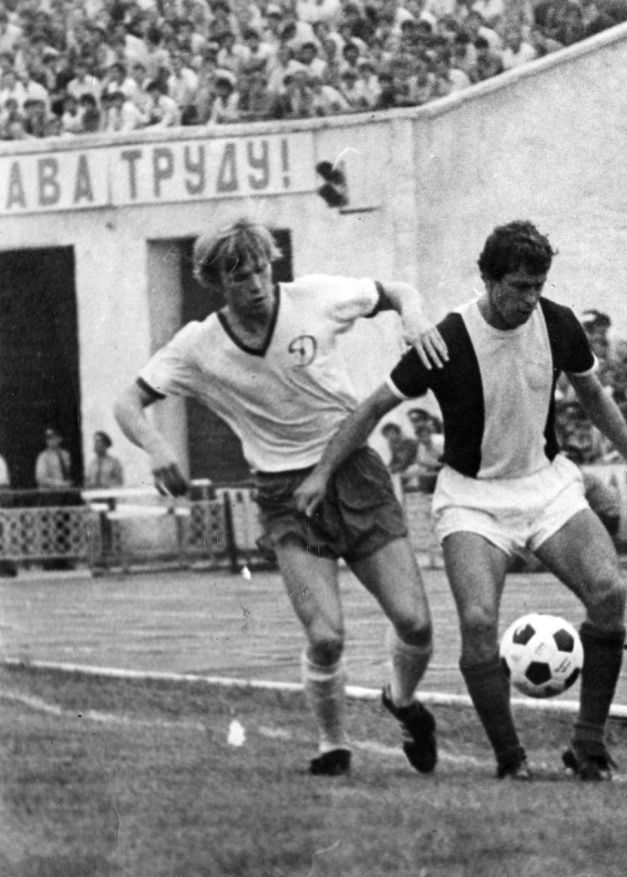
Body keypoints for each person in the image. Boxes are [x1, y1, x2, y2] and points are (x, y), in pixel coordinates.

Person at [295, 220, 627, 782]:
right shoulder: (447, 339)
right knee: (479, 619)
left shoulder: (557, 323)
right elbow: (371, 409)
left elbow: (592, 393)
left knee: (610, 592)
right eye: (518, 287)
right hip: (472, 499)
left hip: (546, 485)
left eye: (538, 286)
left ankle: (588, 744)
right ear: (488, 280)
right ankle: (510, 759)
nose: (529, 299)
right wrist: (322, 474)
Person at [113, 218, 448, 777]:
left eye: (262, 270)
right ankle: (332, 744)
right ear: (217, 282)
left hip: (355, 473)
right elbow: (127, 402)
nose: (256, 285)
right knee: (325, 635)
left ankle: (403, 701)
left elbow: (396, 291)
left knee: (415, 623)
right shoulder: (198, 345)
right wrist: (156, 446)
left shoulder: (314, 298)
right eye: (240, 276)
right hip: (285, 495)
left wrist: (412, 317)